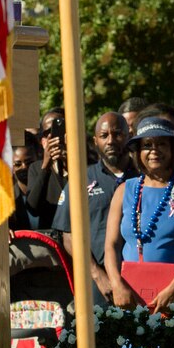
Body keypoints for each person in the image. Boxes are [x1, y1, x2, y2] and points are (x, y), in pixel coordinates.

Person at [104, 116, 174, 312]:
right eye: (147, 145)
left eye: (161, 143)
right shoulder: (124, 190)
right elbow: (111, 245)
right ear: (138, 152)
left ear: (173, 149)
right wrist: (116, 284)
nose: (154, 150)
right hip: (132, 298)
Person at [53, 112, 138, 304]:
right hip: (98, 287)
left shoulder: (145, 178)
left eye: (117, 134)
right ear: (95, 141)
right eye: (104, 135)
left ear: (129, 136)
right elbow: (68, 234)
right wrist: (97, 274)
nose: (110, 140)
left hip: (140, 283)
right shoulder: (81, 180)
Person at [25, 108, 68, 229]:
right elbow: (33, 208)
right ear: (42, 140)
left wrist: (68, 163)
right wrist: (46, 166)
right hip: (50, 240)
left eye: (57, 131)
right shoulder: (36, 168)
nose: (52, 136)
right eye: (46, 133)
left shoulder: (84, 165)